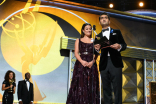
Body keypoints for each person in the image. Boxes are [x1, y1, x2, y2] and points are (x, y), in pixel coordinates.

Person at [94, 12, 127, 104]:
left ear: (109, 21)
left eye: (105, 18)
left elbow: (124, 45)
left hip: (115, 63)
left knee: (117, 88)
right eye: (101, 18)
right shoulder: (98, 36)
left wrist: (119, 46)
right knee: (106, 88)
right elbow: (95, 51)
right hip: (104, 64)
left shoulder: (117, 32)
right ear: (99, 22)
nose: (103, 19)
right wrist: (96, 49)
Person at [66, 23, 100, 104]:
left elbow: (96, 53)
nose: (89, 30)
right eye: (87, 29)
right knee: (80, 85)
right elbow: (76, 53)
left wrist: (92, 61)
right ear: (83, 30)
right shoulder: (78, 40)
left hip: (91, 64)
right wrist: (82, 61)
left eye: (90, 28)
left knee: (91, 85)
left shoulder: (95, 40)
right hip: (81, 64)